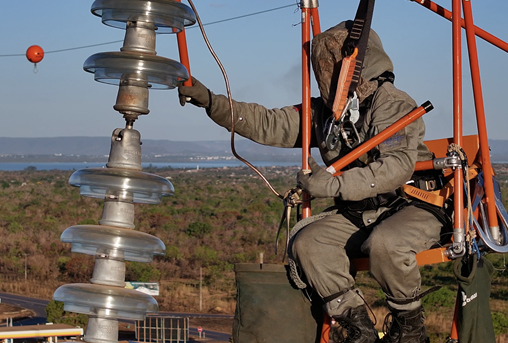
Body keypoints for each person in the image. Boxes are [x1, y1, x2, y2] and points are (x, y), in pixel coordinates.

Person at [179, 21, 444, 343]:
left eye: (332, 63)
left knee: (386, 243)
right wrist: (212, 102)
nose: (326, 71)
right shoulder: (326, 113)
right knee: (308, 244)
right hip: (359, 212)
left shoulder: (392, 103)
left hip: (410, 204)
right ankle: (358, 327)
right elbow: (269, 123)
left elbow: (396, 167)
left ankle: (410, 328)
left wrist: (331, 186)